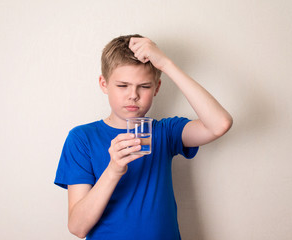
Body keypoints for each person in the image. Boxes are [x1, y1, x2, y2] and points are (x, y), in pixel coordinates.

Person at [54, 34, 233, 240]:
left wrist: (166, 64)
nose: (133, 95)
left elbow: (220, 124)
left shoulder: (165, 131)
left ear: (157, 88)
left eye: (145, 86)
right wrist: (113, 170)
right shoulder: (82, 138)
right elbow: (78, 227)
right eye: (123, 85)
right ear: (104, 84)